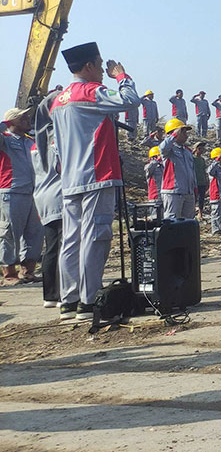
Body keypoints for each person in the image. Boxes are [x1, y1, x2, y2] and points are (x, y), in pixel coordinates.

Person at [49, 42, 140, 321]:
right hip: (97, 175)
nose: (103, 70)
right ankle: (88, 302)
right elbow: (130, 100)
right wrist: (122, 76)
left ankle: (69, 299)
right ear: (88, 66)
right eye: (101, 65)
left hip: (71, 179)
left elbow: (56, 147)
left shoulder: (59, 100)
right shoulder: (91, 91)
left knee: (71, 240)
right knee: (95, 237)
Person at [1, 107, 42, 285]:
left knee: (35, 233)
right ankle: (9, 274)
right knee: (9, 233)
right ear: (12, 121)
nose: (27, 118)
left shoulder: (30, 141)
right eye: (22, 116)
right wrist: (5, 124)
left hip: (33, 192)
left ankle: (28, 271)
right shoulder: (5, 140)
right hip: (12, 192)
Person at [31, 95, 63, 306]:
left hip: (42, 195)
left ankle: (50, 294)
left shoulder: (37, 141)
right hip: (57, 195)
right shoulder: (56, 137)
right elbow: (62, 167)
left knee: (51, 246)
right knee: (62, 246)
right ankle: (60, 293)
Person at [160, 118, 198, 220]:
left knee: (188, 223)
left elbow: (192, 171)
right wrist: (174, 135)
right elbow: (163, 148)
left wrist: (194, 188)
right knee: (172, 222)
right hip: (173, 192)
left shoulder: (187, 151)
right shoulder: (169, 150)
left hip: (188, 192)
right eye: (183, 132)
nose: (186, 135)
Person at [193, 141, 209, 217]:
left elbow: (204, 171)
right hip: (194, 182)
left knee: (201, 198)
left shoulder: (202, 160)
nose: (201, 150)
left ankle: (200, 213)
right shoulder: (192, 159)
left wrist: (206, 181)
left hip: (202, 182)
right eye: (200, 148)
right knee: (194, 198)